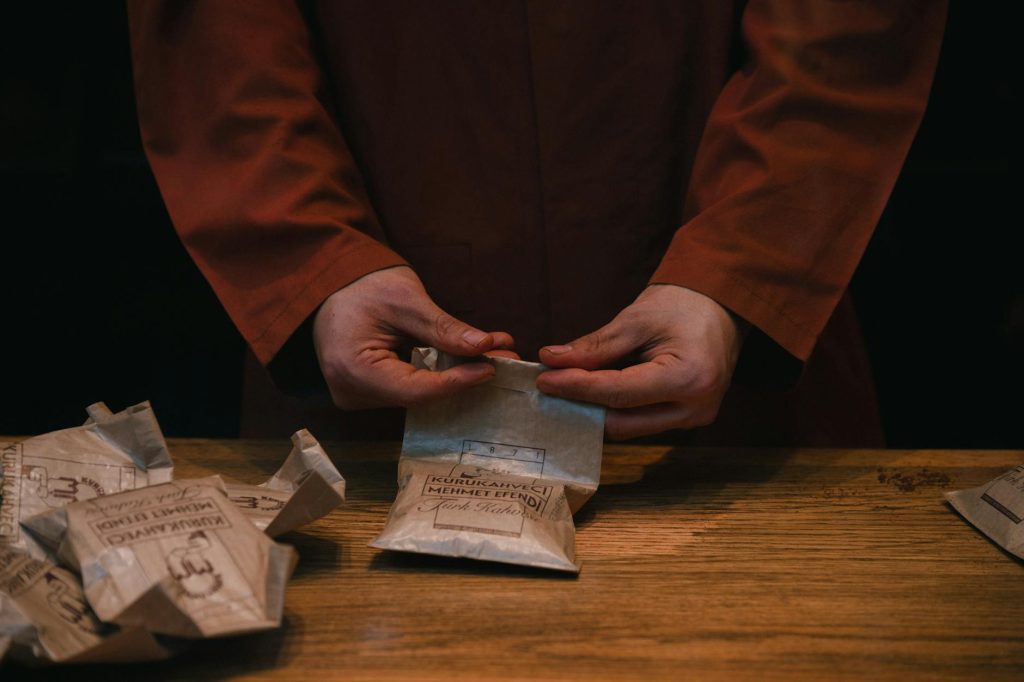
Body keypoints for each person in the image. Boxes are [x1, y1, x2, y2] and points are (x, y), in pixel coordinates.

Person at [126, 1, 946, 445]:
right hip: (362, 365)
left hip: (747, 356)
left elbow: (847, 24)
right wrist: (312, 263)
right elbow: (219, 32)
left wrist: (743, 272)